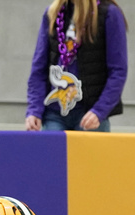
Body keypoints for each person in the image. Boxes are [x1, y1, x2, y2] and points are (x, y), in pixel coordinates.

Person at [26, 0, 128, 132]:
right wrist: (34, 110)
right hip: (54, 113)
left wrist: (100, 110)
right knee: (53, 152)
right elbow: (39, 68)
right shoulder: (52, 13)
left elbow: (118, 70)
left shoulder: (109, 13)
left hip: (89, 114)